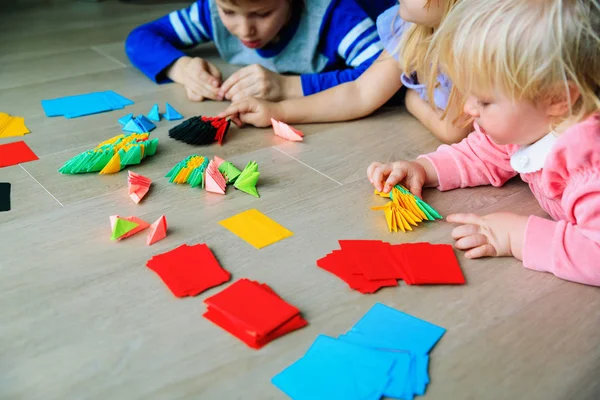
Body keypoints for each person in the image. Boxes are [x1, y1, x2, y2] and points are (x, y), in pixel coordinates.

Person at [367, 0, 600, 286]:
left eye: (485, 101)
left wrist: (517, 235)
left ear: (557, 99)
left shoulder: (588, 170)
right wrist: (423, 168)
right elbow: (481, 153)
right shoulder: (530, 126)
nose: (468, 109)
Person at [219, 0, 471, 144]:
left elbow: (454, 130)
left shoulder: (471, 43)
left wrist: (411, 100)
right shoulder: (409, 28)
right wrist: (279, 111)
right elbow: (359, 92)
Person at [125, 0, 396, 102]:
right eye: (229, 12)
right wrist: (181, 68)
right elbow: (139, 38)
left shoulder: (335, 17)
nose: (244, 30)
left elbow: (384, 77)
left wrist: (289, 87)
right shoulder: (211, 11)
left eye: (263, 14)